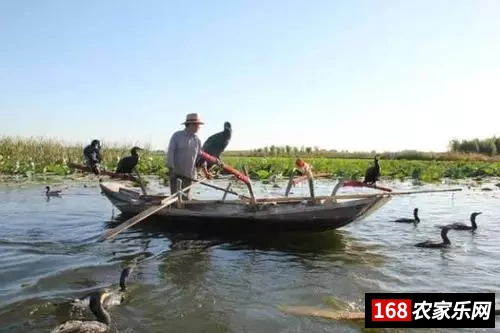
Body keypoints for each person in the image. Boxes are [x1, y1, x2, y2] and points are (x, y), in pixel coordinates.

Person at [166, 113, 211, 200]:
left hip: (189, 175)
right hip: (176, 174)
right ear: (190, 125)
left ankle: (185, 211)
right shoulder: (177, 136)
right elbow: (170, 152)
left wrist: (206, 172)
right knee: (175, 198)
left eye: (198, 125)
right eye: (197, 124)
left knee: (186, 198)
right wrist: (171, 169)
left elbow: (200, 158)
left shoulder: (197, 140)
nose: (199, 127)